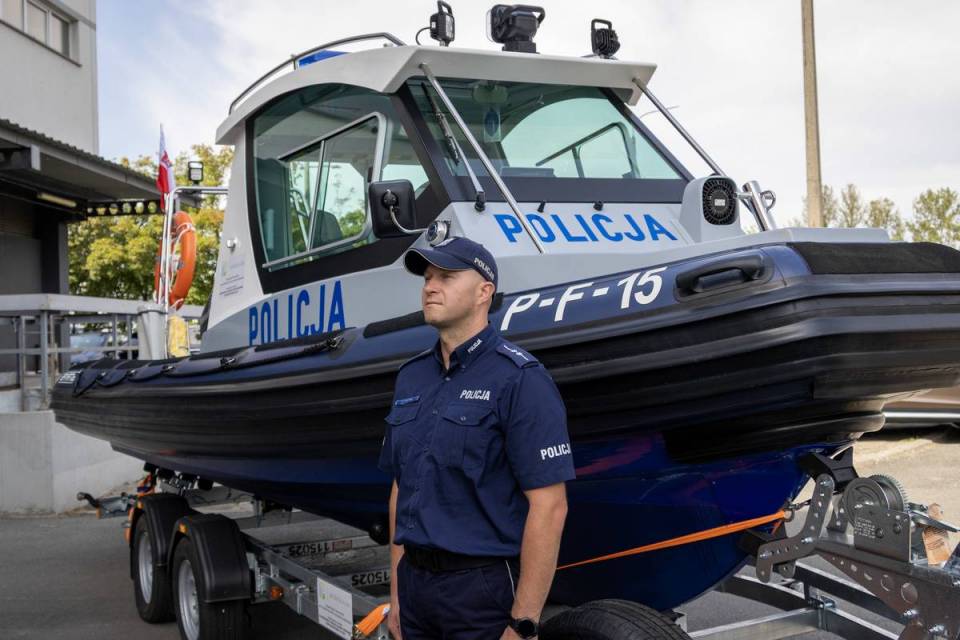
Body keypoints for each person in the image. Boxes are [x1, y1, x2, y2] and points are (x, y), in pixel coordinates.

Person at [378, 236, 575, 640]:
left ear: (484, 292)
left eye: (446, 277)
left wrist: (523, 622)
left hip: (479, 590)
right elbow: (402, 486)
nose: (430, 287)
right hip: (415, 586)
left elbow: (550, 506)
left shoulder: (519, 379)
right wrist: (397, 594)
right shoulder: (411, 377)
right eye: (427, 278)